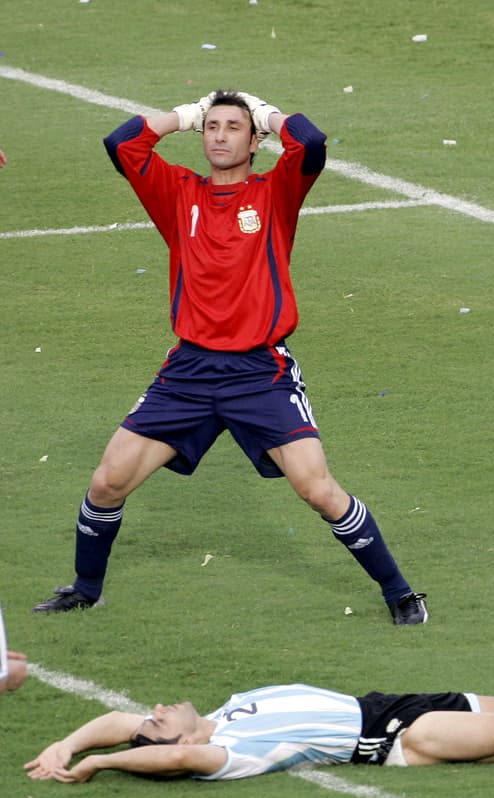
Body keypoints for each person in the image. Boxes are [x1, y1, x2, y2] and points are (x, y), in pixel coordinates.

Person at [32, 91, 429, 624]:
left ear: (255, 140)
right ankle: (86, 589)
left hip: (259, 373)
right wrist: (184, 116)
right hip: (189, 372)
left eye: (234, 127)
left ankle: (400, 593)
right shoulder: (177, 193)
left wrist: (267, 114)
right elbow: (121, 143)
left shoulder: (276, 193)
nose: (220, 136)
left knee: (317, 490)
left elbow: (310, 142)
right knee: (108, 482)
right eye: (212, 126)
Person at [24, 659, 494, 782]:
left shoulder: (216, 715)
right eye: (157, 719)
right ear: (175, 740)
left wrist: (66, 743)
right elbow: (169, 756)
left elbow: (114, 718)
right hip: (395, 737)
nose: (154, 709)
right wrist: (101, 762)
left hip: (384, 705)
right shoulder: (225, 750)